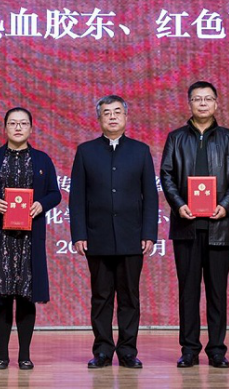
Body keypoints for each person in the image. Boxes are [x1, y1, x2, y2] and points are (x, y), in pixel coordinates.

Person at [160, 81, 229, 368]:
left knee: (217, 292)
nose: (202, 103)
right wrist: (178, 204)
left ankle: (217, 350)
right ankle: (189, 349)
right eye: (197, 99)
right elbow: (167, 175)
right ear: (189, 104)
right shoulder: (176, 138)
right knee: (188, 292)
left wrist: (226, 205)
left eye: (208, 99)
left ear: (216, 103)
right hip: (186, 226)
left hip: (219, 226)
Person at [69, 95, 158, 369]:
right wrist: (79, 234)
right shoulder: (86, 151)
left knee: (130, 297)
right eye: (106, 113)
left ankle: (128, 351)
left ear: (126, 117)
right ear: (99, 119)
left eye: (117, 112)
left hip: (132, 236)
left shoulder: (140, 151)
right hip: (97, 236)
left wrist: (149, 233)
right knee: (101, 296)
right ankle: (103, 351)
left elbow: (150, 196)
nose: (112, 117)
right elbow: (77, 197)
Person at [0, 107, 61, 370]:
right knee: (2, 296)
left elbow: (55, 193)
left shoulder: (42, 160)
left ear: (31, 128)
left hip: (29, 239)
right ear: (5, 128)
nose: (18, 127)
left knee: (26, 295)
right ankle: (2, 355)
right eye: (13, 123)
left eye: (23, 123)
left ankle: (24, 355)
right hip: (1, 237)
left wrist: (41, 205)